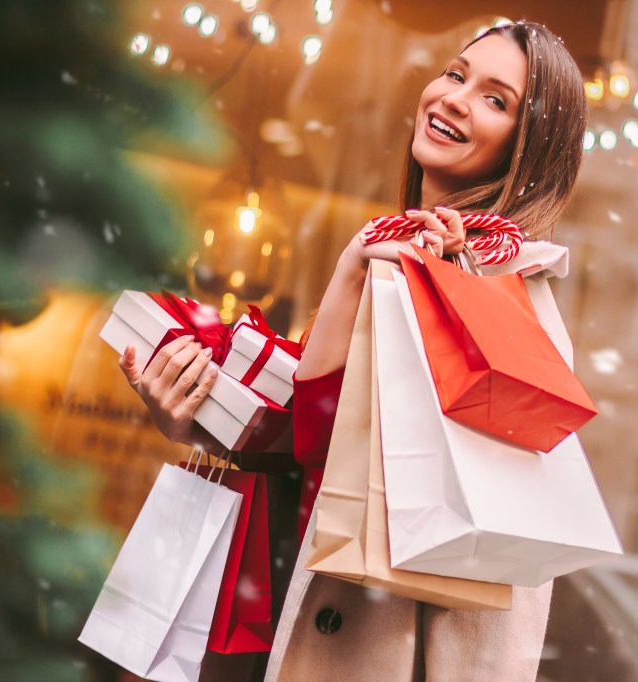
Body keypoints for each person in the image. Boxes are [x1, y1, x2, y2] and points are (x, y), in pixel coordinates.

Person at [120, 20, 587, 680]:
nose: (454, 98)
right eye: (455, 75)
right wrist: (199, 417)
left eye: (495, 99)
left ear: (530, 148)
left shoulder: (501, 287)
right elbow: (327, 446)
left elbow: (348, 451)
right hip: (294, 606)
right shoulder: (398, 252)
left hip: (378, 643)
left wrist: (351, 272)